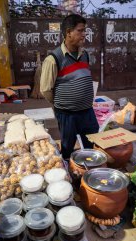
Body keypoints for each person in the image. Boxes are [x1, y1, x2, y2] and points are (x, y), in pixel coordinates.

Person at [40, 14, 99, 160]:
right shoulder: (54, 59)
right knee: (67, 148)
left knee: (91, 144)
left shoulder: (85, 55)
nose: (84, 34)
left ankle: (87, 173)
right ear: (68, 33)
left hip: (87, 111)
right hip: (67, 114)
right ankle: (69, 177)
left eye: (84, 30)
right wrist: (61, 102)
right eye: (80, 31)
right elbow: (45, 89)